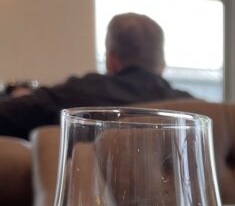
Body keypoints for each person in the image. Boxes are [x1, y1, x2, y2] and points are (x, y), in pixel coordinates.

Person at [0, 13, 192, 139]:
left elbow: (6, 115)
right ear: (162, 62)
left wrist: (20, 95)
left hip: (85, 197)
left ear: (111, 59)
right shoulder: (197, 110)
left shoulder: (75, 94)